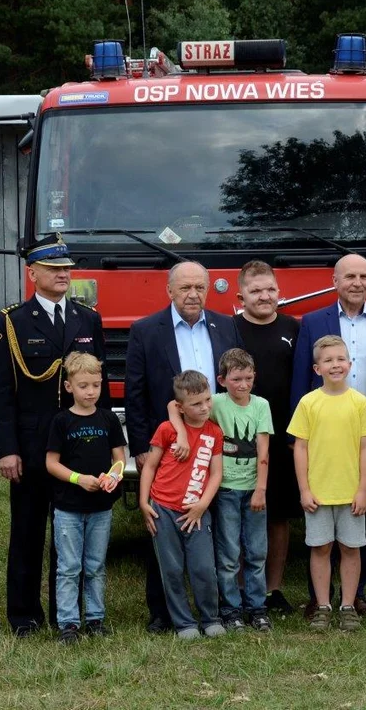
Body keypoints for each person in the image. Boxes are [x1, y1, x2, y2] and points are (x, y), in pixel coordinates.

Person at [0, 234, 108, 636]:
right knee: (27, 531)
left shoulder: (87, 318)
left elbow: (100, 389)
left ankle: (68, 615)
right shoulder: (12, 321)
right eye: (55, 268)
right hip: (33, 446)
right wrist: (7, 450)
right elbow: (2, 393)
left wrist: (105, 444)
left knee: (69, 533)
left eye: (67, 269)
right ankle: (23, 615)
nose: (63, 274)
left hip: (79, 448)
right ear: (32, 273)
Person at [125, 261, 244, 632]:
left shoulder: (227, 326)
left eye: (199, 287)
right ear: (170, 291)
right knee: (164, 535)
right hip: (169, 448)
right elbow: (135, 392)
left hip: (213, 445)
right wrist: (143, 447)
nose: (193, 294)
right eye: (185, 288)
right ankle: (163, 613)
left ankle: (222, 610)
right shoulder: (145, 330)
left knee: (216, 533)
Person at [290, 254, 366, 616]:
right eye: (349, 277)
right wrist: (298, 439)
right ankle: (320, 597)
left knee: (365, 510)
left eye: (363, 276)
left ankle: (355, 594)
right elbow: (301, 378)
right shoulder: (313, 322)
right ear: (335, 280)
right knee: (321, 514)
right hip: (323, 436)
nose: (356, 283)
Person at [169, 348, 273, 631]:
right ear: (223, 379)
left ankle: (257, 607)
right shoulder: (213, 402)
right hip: (225, 489)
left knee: (256, 551)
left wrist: (261, 488)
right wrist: (180, 433)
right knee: (228, 553)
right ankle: (230, 609)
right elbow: (173, 406)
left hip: (254, 488)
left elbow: (263, 449)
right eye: (236, 379)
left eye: (248, 378)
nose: (243, 385)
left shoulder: (261, 405)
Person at [288, 335, 366, 631]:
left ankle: (348, 605)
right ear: (317, 369)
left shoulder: (360, 402)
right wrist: (304, 489)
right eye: (328, 360)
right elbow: (300, 448)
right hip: (318, 493)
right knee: (320, 548)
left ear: (350, 365)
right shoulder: (308, 403)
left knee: (351, 549)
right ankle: (323, 605)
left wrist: (362, 489)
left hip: (352, 493)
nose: (335, 365)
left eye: (341, 359)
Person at [232, 261, 301, 616]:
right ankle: (242, 589)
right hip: (239, 439)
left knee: (278, 516)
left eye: (270, 289)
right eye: (256, 290)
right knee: (240, 513)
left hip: (285, 439)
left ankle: (273, 589)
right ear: (241, 294)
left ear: (279, 291)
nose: (264, 296)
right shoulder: (229, 329)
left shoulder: (294, 328)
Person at [45, 352, 126, 644]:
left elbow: (119, 457)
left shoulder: (108, 419)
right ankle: (68, 623)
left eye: (95, 385)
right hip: (68, 507)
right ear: (69, 387)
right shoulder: (61, 421)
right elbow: (51, 463)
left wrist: (111, 477)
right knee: (69, 566)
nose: (90, 391)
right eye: (83, 386)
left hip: (101, 507)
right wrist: (79, 479)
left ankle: (95, 618)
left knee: (95, 564)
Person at [138, 370, 226, 640]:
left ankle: (210, 618)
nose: (204, 407)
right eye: (196, 403)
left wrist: (202, 505)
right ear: (180, 407)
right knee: (172, 570)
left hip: (197, 512)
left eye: (207, 400)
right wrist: (143, 502)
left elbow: (216, 473)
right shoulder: (167, 430)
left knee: (203, 569)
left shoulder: (214, 432)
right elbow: (150, 466)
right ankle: (184, 623)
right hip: (163, 509)